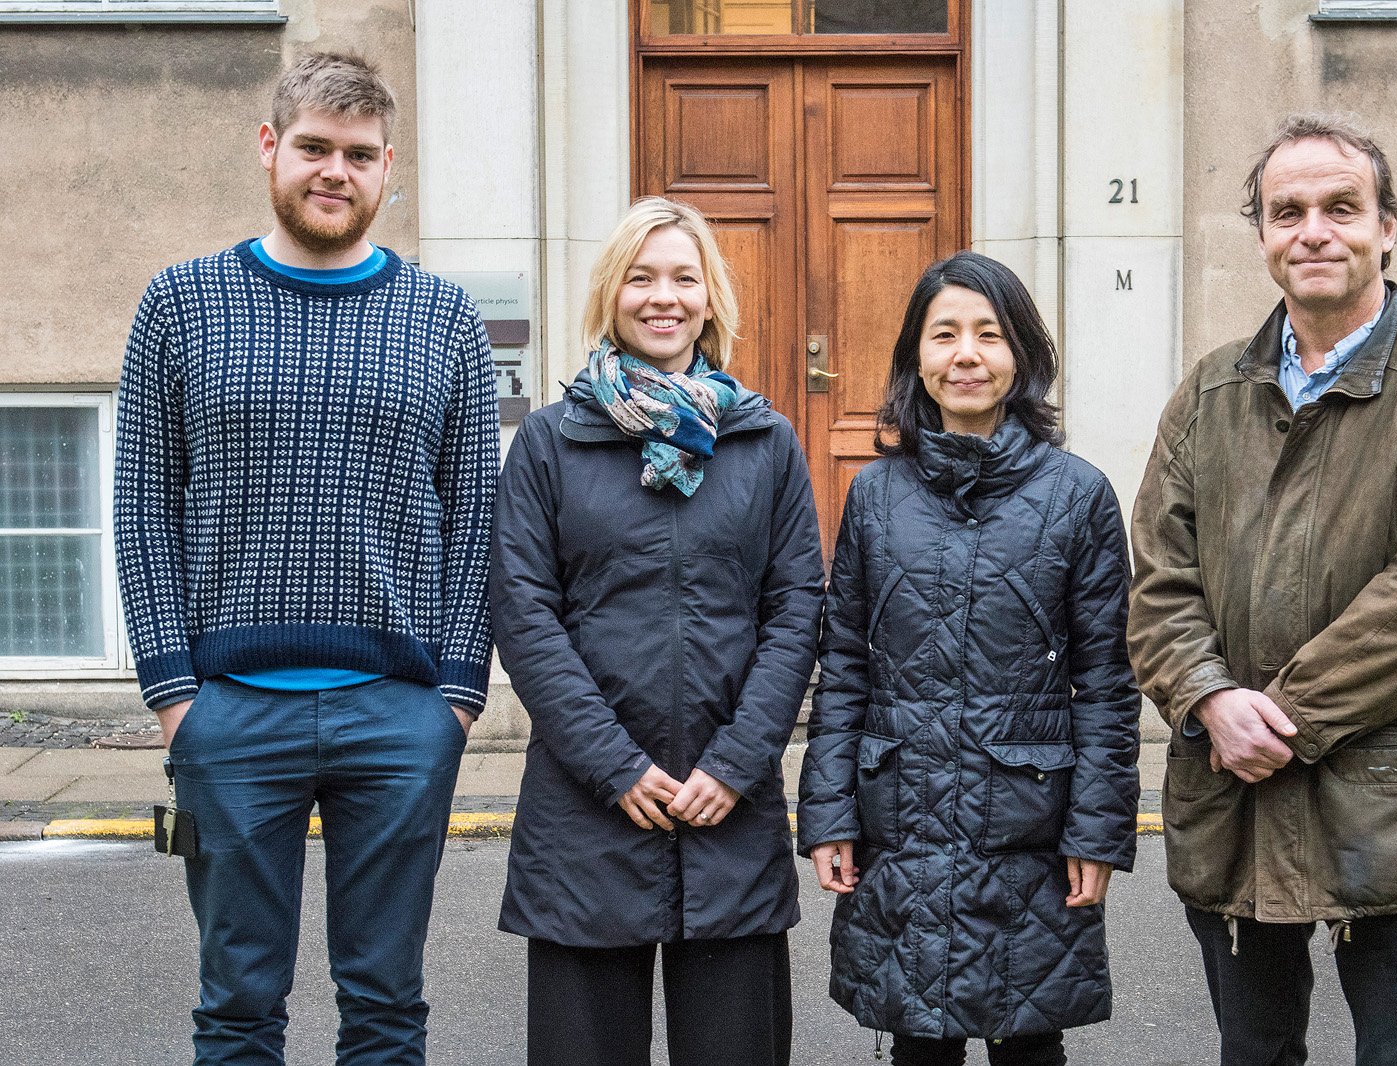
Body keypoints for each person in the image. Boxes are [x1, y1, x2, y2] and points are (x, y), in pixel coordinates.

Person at [112, 52, 496, 1065]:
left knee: (386, 1005)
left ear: (387, 168)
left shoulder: (443, 317)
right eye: (316, 147)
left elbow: (478, 514)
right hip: (228, 708)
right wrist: (172, 691)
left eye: (360, 155)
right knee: (235, 1003)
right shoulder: (180, 303)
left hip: (400, 712)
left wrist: (455, 693)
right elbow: (143, 500)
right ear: (270, 147)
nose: (336, 171)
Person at [1127, 114, 1397, 1066]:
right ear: (1262, 236)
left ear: (1387, 227)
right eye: (1286, 211)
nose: (1314, 230)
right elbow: (1158, 580)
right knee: (1253, 1049)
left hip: (1391, 803)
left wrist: (1280, 719)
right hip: (1232, 797)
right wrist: (1210, 699)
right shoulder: (1211, 392)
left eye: (1342, 207)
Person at [490, 195, 823, 1066]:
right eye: (641, 277)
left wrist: (738, 761)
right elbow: (525, 613)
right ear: (612, 294)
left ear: (711, 298)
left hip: (730, 813)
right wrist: (614, 765)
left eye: (684, 277)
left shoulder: (766, 443)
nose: (662, 296)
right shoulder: (550, 445)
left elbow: (795, 610)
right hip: (585, 812)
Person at [797, 251, 1141, 1066]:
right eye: (944, 333)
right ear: (916, 356)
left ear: (1020, 353)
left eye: (988, 334)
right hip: (900, 818)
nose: (966, 354)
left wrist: (1097, 830)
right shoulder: (876, 496)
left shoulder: (1077, 494)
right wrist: (829, 814)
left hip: (1029, 824)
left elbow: (1105, 681)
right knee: (919, 1035)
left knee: (1028, 1039)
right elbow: (843, 661)